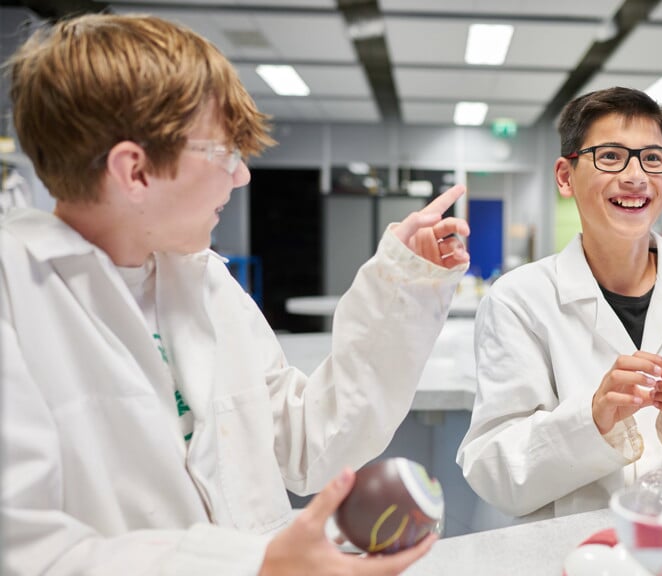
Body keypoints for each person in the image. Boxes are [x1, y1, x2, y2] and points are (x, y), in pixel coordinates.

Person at [1, 13, 470, 576]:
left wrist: (402, 287)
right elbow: (26, 550)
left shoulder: (202, 281)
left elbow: (307, 444)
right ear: (136, 171)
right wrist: (257, 564)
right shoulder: (16, 297)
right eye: (226, 154)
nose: (242, 177)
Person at [456, 87, 662, 521]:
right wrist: (594, 418)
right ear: (565, 176)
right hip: (570, 553)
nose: (636, 176)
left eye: (653, 158)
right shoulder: (518, 299)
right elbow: (493, 471)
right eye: (610, 157)